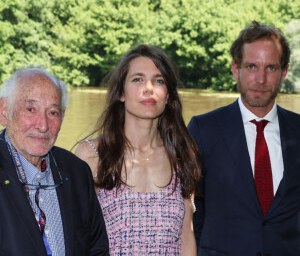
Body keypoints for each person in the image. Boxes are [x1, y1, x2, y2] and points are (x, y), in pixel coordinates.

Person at [75, 44, 201, 255]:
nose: (148, 88)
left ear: (168, 96)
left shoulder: (182, 156)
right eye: (137, 79)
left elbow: (186, 237)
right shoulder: (92, 154)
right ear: (121, 93)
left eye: (159, 80)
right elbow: (76, 235)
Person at [188, 21, 300, 256]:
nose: (260, 79)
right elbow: (190, 211)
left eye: (271, 68)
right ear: (235, 69)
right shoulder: (204, 129)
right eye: (251, 66)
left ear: (284, 73)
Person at [0, 68, 109, 256]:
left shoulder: (77, 172)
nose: (43, 125)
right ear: (4, 112)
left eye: (53, 112)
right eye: (30, 109)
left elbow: (96, 248)